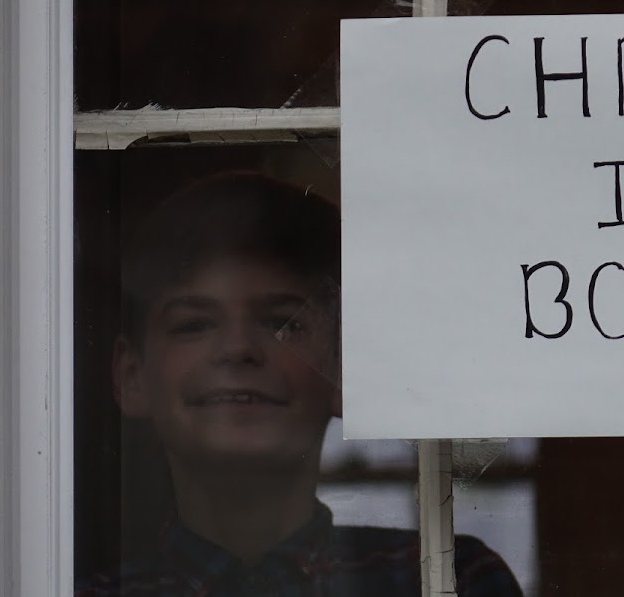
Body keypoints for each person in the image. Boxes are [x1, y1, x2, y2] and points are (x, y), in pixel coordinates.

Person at [76, 173, 523, 597]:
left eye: (282, 323)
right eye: (193, 324)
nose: (237, 348)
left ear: (344, 369)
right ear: (133, 377)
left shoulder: (447, 579)